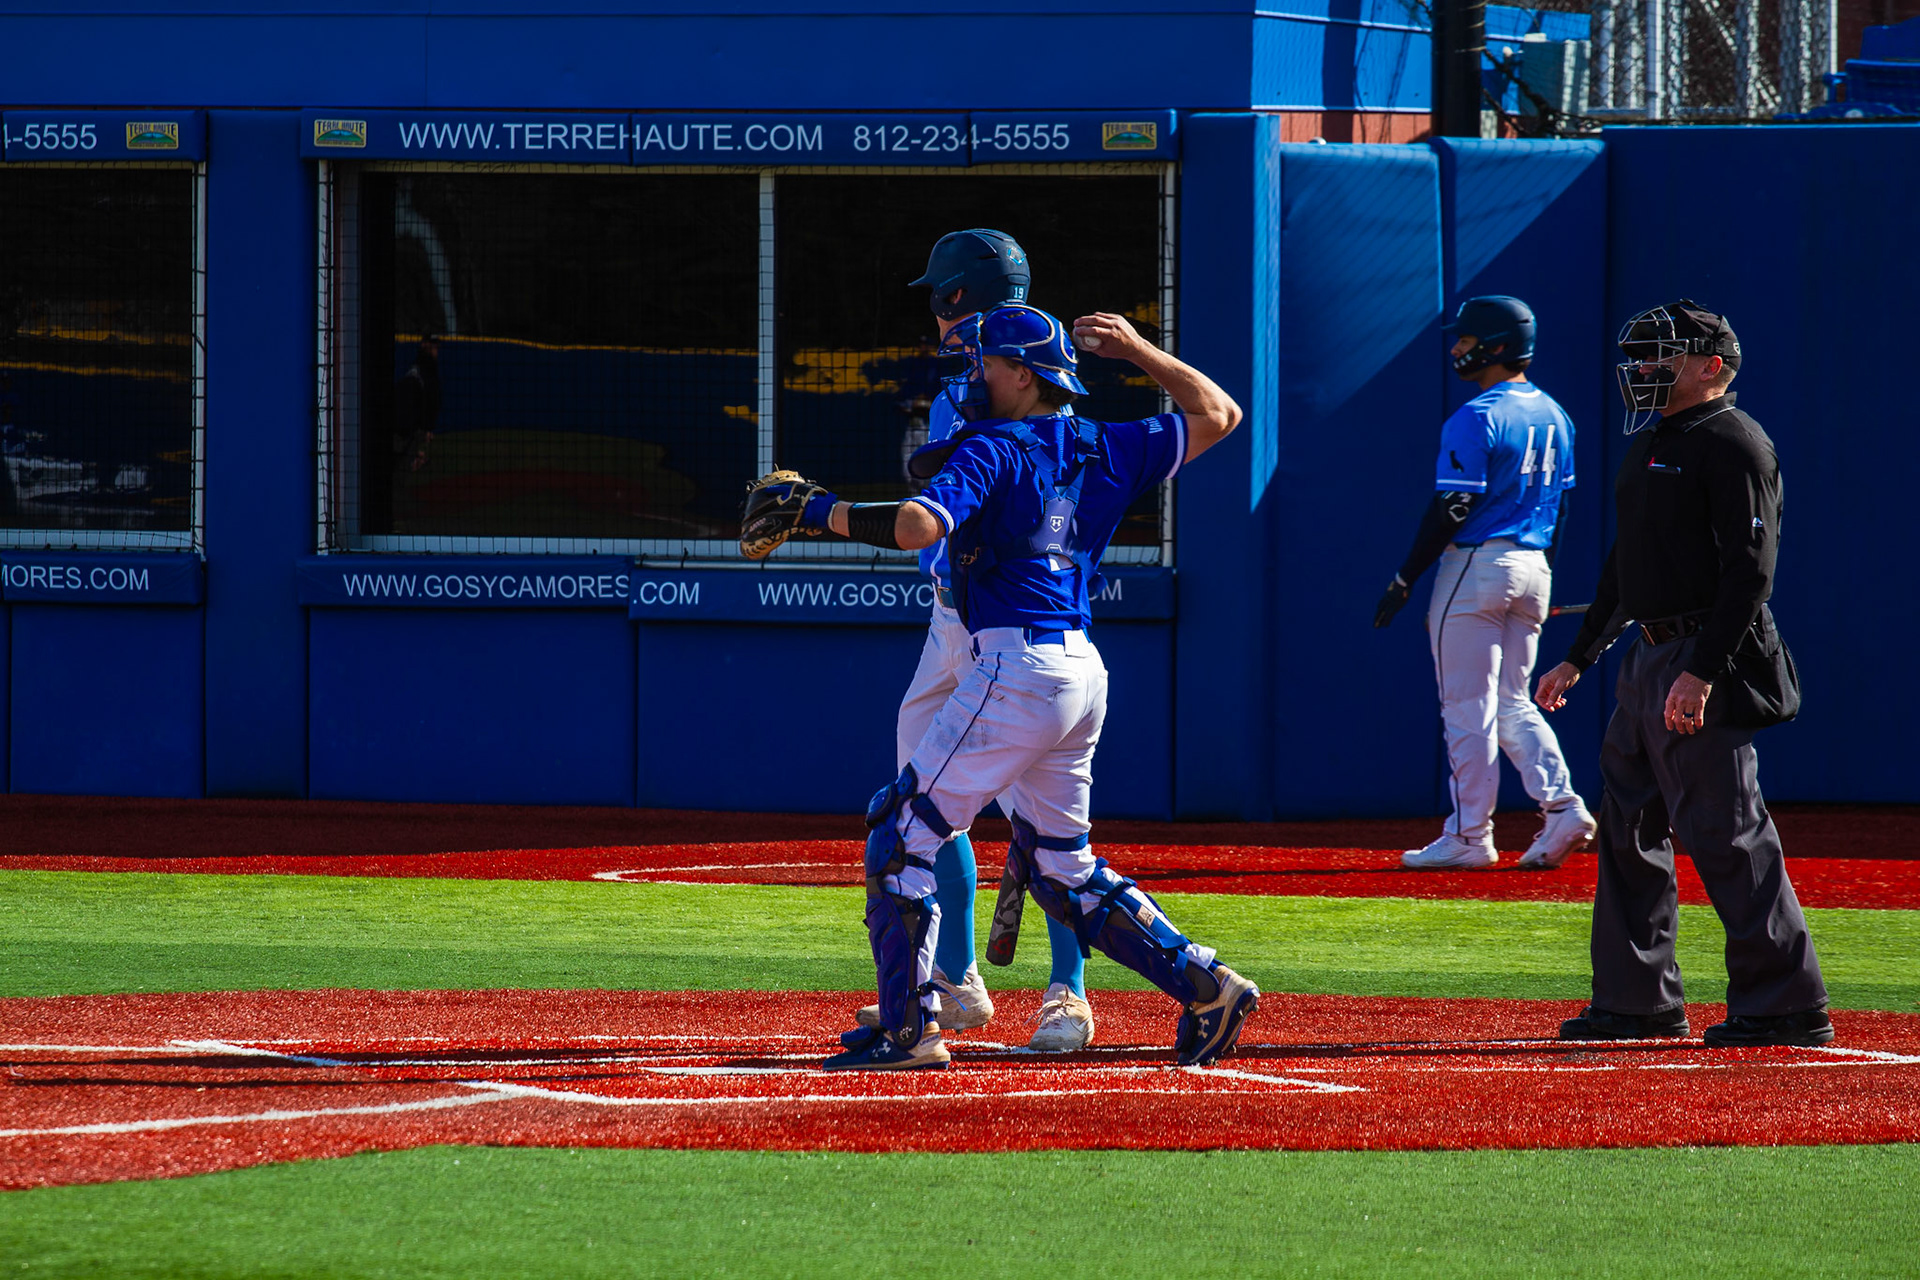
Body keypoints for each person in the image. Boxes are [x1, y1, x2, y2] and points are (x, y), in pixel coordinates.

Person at [751, 302, 1255, 1071]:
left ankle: (910, 1031)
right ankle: (1208, 985)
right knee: (1064, 869)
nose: (976, 375)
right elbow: (1219, 413)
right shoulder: (1106, 443)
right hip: (1080, 671)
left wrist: (818, 510)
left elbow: (918, 528)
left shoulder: (996, 444)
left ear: (1022, 374)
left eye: (988, 363)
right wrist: (1136, 350)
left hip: (1014, 666)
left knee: (901, 837)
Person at [1536, 299, 1831, 1048]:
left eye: (1661, 355)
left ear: (1711, 366)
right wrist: (1580, 655)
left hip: (1706, 656)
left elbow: (1751, 571)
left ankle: (1785, 1003)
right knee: (1628, 828)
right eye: (1640, 356)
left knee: (1727, 831)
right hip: (1646, 656)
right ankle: (1637, 1000)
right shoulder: (1654, 442)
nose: (1644, 368)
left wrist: (1701, 673)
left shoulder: (1734, 441)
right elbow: (1626, 565)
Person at [848, 230, 1101, 1054]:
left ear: (957, 295)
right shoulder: (982, 371)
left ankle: (1068, 992)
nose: (934, 310)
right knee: (924, 798)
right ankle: (954, 981)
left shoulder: (1028, 370)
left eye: (939, 295)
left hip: (1008, 621)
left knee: (1041, 819)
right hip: (949, 618)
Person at [1374, 296, 1595, 869]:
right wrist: (1545, 571)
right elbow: (1562, 508)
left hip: (1477, 564)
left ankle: (1470, 836)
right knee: (1512, 702)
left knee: (1467, 708)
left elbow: (1453, 506)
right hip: (1533, 564)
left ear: (1497, 345)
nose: (1457, 349)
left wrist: (1404, 577)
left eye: (1467, 340)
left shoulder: (1478, 415)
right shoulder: (1555, 413)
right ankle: (1562, 806)